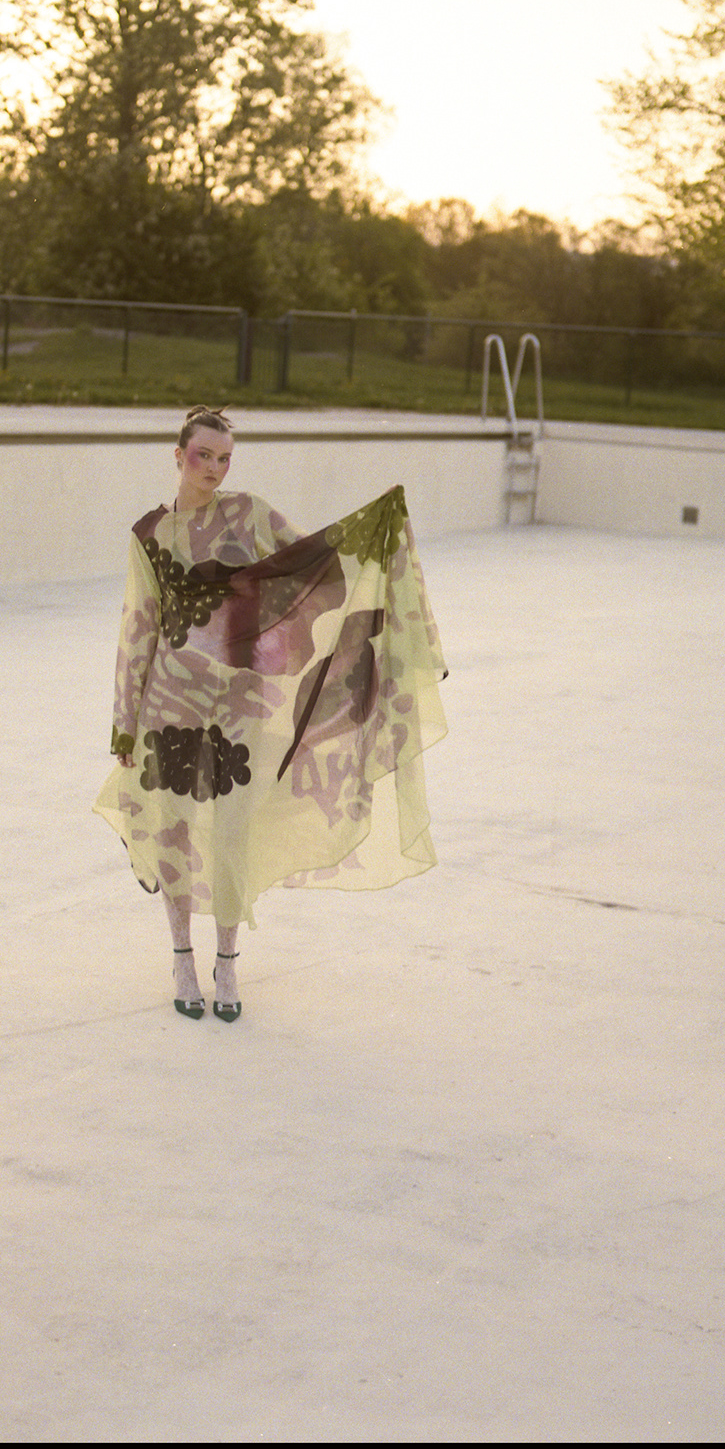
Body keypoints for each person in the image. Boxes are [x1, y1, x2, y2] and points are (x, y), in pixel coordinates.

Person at [94, 406, 448, 1023]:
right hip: (169, 702)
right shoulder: (149, 534)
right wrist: (125, 720)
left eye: (224, 458)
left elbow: (317, 560)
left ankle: (227, 961)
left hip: (238, 702)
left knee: (233, 830)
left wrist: (373, 526)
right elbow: (139, 625)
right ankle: (182, 956)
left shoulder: (248, 515)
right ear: (178, 456)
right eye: (203, 455)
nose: (214, 468)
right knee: (174, 829)